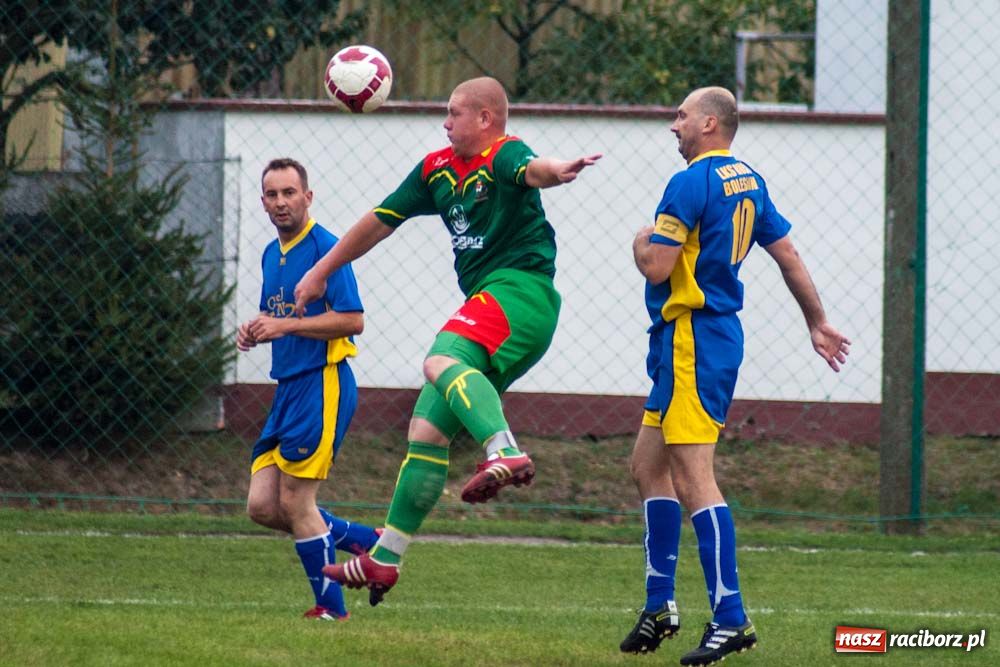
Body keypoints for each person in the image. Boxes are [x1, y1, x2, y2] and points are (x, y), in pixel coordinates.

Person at [291, 77, 601, 604]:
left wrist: (557, 171)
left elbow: (532, 168)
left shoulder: (503, 154)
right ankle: (385, 558)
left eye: (454, 112)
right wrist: (321, 269)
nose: (445, 121)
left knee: (439, 358)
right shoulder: (436, 169)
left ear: (485, 119)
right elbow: (382, 218)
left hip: (520, 293)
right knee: (427, 430)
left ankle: (504, 450)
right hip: (494, 301)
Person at [620, 87, 850, 665]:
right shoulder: (749, 179)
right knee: (648, 467)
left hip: (692, 341)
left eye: (680, 116)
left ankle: (731, 617)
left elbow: (659, 266)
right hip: (704, 340)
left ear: (709, 122)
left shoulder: (690, 182)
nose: (673, 126)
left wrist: (639, 243)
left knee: (695, 477)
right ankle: (659, 605)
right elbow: (788, 255)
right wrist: (817, 322)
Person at [237, 158, 381, 621]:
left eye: (289, 193)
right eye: (272, 195)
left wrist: (284, 325)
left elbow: (352, 319)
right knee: (262, 505)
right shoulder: (269, 254)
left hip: (323, 383)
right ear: (263, 202)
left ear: (308, 197)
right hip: (288, 389)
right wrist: (256, 330)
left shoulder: (327, 250)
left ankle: (330, 609)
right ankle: (363, 540)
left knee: (297, 502)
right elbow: (277, 318)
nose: (280, 202)